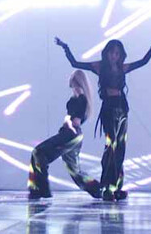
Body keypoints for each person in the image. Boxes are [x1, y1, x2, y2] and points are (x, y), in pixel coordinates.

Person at [55, 36, 151, 201]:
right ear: (106, 53)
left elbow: (143, 62)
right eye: (111, 53)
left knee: (120, 147)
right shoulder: (100, 67)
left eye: (117, 53)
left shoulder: (123, 68)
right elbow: (75, 63)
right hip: (109, 109)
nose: (114, 56)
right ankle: (107, 187)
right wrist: (65, 47)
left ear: (120, 55)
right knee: (111, 147)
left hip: (122, 108)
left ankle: (116, 187)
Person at [28, 70, 101, 199]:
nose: (72, 86)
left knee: (38, 152)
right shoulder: (80, 98)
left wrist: (68, 122)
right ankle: (98, 189)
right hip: (75, 136)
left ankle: (41, 190)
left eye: (73, 83)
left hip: (70, 134)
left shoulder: (80, 99)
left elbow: (76, 121)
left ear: (76, 82)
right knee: (75, 171)